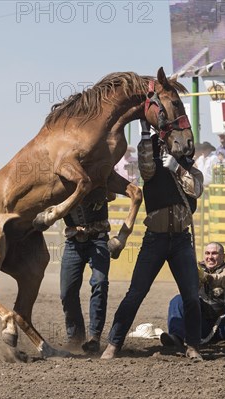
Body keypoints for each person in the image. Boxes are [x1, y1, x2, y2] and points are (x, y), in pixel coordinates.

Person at [101, 121, 204, 361]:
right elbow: (146, 167)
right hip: (156, 239)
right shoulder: (152, 162)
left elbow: (196, 189)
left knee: (190, 295)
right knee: (136, 293)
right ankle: (113, 343)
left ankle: (193, 346)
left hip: (180, 240)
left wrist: (178, 168)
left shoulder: (189, 169)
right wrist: (145, 135)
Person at [60, 199, 111, 353]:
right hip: (73, 242)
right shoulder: (63, 183)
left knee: (100, 283)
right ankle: (76, 337)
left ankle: (94, 337)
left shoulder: (98, 176)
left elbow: (111, 194)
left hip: (98, 239)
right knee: (67, 292)